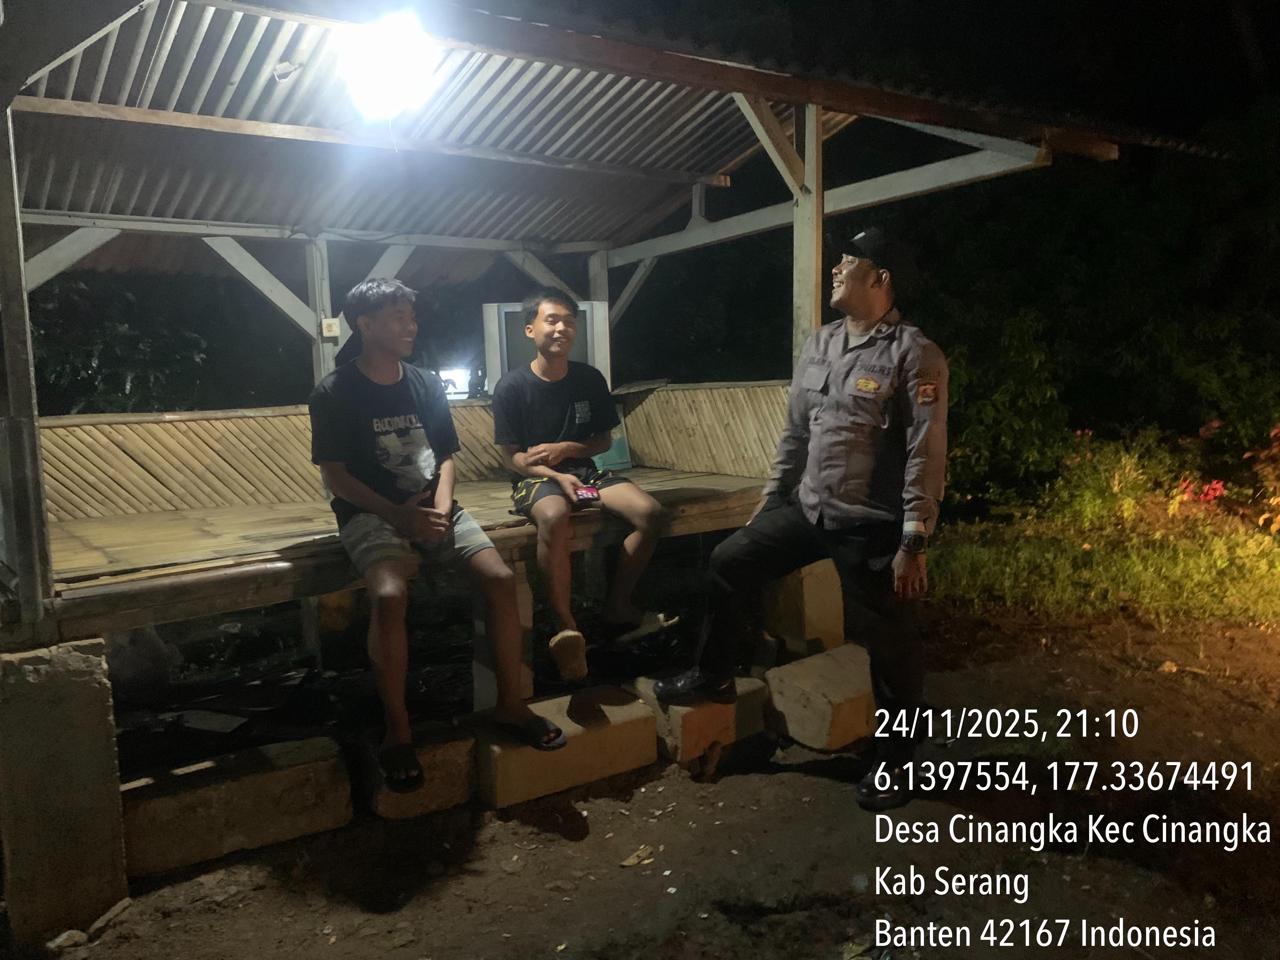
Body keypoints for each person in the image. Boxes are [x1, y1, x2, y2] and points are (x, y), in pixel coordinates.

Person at [654, 228, 947, 812]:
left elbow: (926, 451)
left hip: (870, 522)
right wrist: (771, 500)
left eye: (849, 260)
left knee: (889, 644)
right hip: (810, 508)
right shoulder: (821, 343)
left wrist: (914, 540)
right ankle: (714, 673)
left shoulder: (914, 353)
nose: (836, 267)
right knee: (729, 561)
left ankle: (897, 760)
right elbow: (794, 434)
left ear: (880, 278)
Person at [309, 279, 564, 793]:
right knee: (389, 594)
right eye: (398, 318)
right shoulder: (334, 391)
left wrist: (442, 508)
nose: (411, 326)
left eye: (412, 316)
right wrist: (398, 516)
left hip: (435, 506)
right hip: (371, 512)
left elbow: (446, 457)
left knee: (499, 578)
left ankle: (511, 704)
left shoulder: (425, 383)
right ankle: (398, 729)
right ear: (365, 325)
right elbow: (336, 475)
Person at [491, 287, 676, 681]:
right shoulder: (511, 387)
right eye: (552, 320)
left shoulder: (589, 379)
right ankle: (565, 625)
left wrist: (568, 449)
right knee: (554, 515)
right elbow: (512, 458)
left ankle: (618, 605)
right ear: (530, 329)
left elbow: (603, 440)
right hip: (536, 479)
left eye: (569, 321)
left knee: (651, 513)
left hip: (586, 472)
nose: (562, 328)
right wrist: (555, 474)